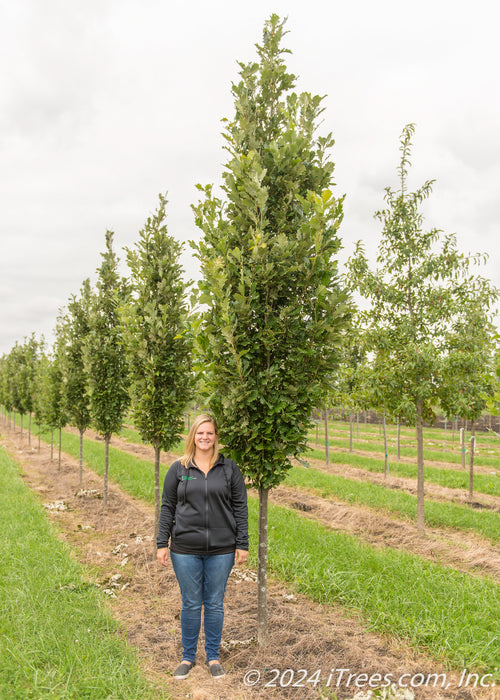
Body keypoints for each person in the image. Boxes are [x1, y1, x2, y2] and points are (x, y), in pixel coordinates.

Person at [157, 414, 249, 680]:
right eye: (200, 433)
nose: (205, 438)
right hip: (184, 548)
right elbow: (167, 507)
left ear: (215, 437)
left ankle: (212, 656)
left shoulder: (229, 469)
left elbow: (240, 508)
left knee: (214, 603)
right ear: (193, 436)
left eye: (209, 433)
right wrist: (162, 542)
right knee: (191, 603)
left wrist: (241, 543)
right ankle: (187, 657)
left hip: (222, 549)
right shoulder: (179, 469)